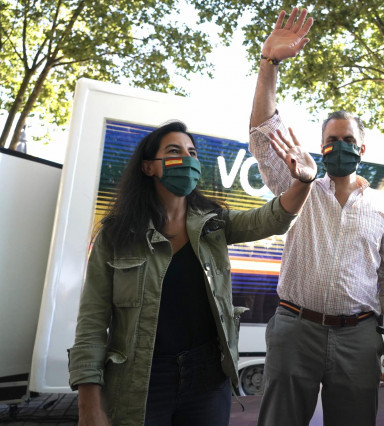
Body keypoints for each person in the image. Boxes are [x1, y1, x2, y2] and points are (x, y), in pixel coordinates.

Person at [68, 121, 316, 426]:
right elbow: (91, 323)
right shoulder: (116, 235)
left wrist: (304, 182)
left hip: (207, 380)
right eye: (174, 151)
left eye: (192, 153)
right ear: (149, 167)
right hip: (140, 381)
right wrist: (88, 405)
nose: (186, 159)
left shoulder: (215, 224)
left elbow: (272, 219)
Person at [248, 8, 384, 426]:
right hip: (295, 329)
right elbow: (263, 137)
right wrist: (270, 63)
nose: (339, 147)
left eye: (347, 140)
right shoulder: (300, 188)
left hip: (358, 336)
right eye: (330, 142)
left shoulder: (382, 206)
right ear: (320, 148)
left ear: (362, 149)